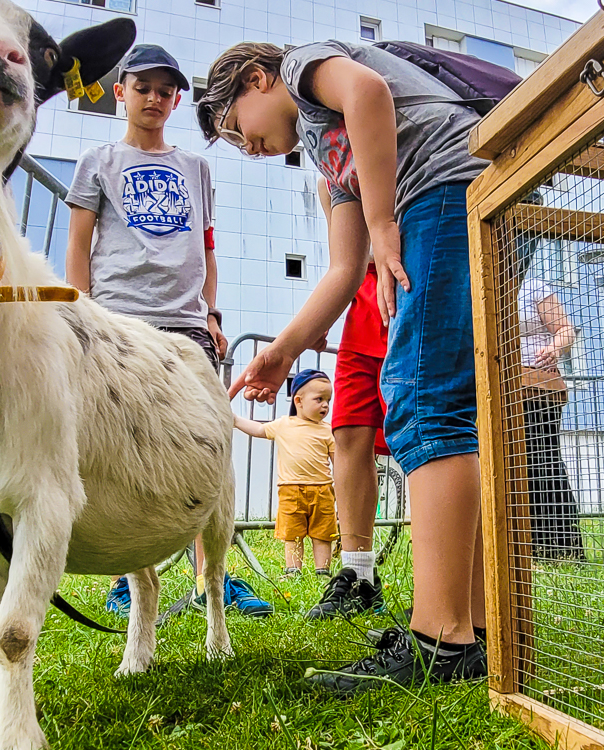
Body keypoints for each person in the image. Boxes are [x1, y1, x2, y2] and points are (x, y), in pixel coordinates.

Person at [196, 40, 488, 691]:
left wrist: (385, 218)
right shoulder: (331, 166)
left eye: (237, 131)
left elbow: (368, 93)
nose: (250, 148)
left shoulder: (303, 69)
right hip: (434, 198)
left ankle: (440, 643)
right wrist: (281, 351)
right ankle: (470, 630)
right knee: (441, 405)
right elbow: (342, 269)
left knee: (423, 401)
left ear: (255, 79)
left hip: (441, 190)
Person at [65, 44, 273, 622]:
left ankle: (216, 576)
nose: (154, 98)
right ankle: (126, 574)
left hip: (185, 324)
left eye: (166, 89)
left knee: (205, 447)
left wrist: (212, 311)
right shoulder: (97, 159)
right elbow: (79, 242)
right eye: (143, 86)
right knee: (117, 450)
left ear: (178, 99)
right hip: (117, 320)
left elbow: (206, 248)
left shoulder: (196, 168)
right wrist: (81, 312)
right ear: (120, 91)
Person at [305, 177, 388, 620]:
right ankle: (359, 574)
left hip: (414, 288)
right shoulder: (330, 174)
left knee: (431, 434)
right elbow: (351, 254)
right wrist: (327, 308)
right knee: (350, 433)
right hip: (362, 304)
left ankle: (450, 578)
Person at [517, 237, 586, 561]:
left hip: (539, 386)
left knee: (541, 457)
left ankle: (561, 544)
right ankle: (525, 544)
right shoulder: (485, 286)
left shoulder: (533, 287)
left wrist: (555, 348)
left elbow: (566, 329)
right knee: (514, 463)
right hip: (504, 388)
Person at [234, 369, 337, 577]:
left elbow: (338, 461)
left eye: (328, 400)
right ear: (298, 401)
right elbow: (258, 430)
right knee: (293, 534)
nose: (325, 405)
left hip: (323, 490)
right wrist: (234, 419)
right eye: (319, 399)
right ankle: (293, 571)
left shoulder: (328, 430)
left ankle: (323, 571)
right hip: (290, 490)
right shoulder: (283, 424)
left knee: (323, 534)